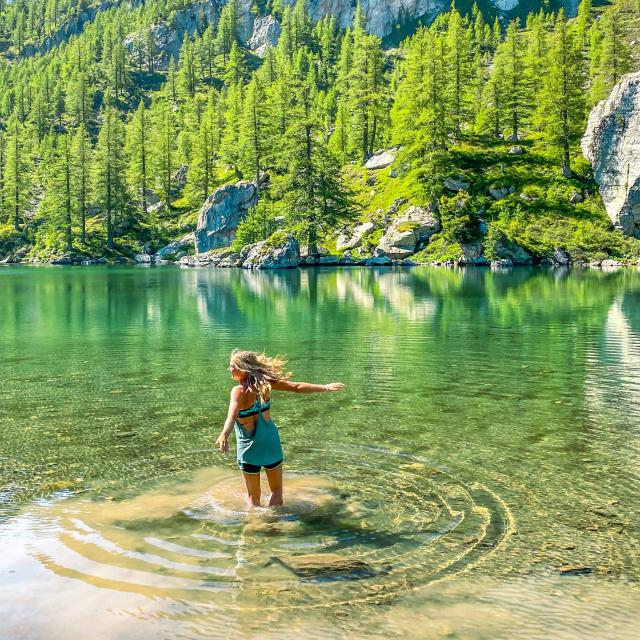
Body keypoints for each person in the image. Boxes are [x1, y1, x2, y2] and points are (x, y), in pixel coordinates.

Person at [215, 349, 344, 508]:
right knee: (277, 492)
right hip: (271, 443)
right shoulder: (266, 384)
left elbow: (232, 416)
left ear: (243, 368)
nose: (229, 369)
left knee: (253, 498)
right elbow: (296, 386)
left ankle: (255, 529)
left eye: (232, 366)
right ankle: (276, 526)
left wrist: (224, 434)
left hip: (249, 449)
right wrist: (325, 387)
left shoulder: (238, 391)